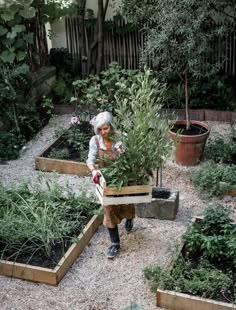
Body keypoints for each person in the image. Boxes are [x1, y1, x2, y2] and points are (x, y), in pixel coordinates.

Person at [86, 111, 135, 259]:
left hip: (122, 175)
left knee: (126, 203)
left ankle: (129, 218)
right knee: (108, 208)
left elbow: (132, 157)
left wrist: (124, 152)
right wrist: (94, 171)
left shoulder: (122, 137)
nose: (103, 132)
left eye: (105, 128)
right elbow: (89, 161)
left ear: (111, 126)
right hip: (106, 178)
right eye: (100, 129)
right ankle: (115, 243)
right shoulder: (95, 141)